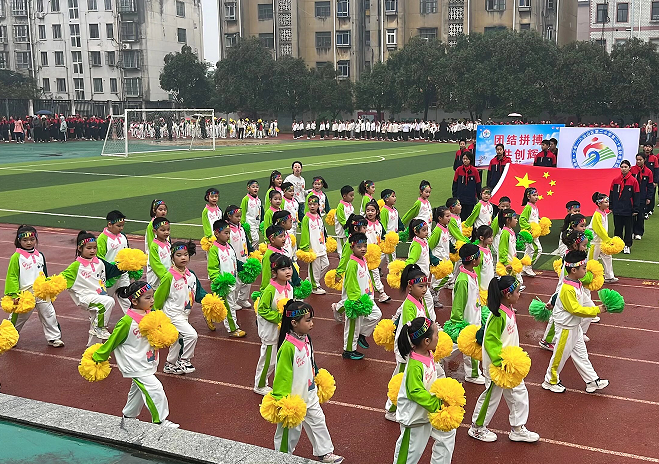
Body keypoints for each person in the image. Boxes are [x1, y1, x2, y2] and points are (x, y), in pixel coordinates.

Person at [92, 281, 179, 428]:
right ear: (134, 301)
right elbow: (112, 341)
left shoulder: (151, 315)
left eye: (152, 297)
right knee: (155, 389)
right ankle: (160, 421)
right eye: (147, 298)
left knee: (137, 392)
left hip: (147, 362)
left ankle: (128, 416)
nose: (152, 300)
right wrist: (98, 357)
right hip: (134, 364)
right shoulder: (127, 322)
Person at [270, 300, 344, 463]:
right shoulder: (288, 347)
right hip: (294, 400)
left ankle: (325, 453)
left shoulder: (306, 339)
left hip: (310, 394)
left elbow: (311, 362)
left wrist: (316, 376)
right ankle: (282, 457)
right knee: (290, 431)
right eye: (308, 320)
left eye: (312, 319)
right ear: (294, 323)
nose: (312, 324)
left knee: (318, 421)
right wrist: (282, 400)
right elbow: (282, 376)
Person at [468, 276, 539, 443]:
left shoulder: (508, 309)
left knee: (519, 393)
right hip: (498, 366)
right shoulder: (498, 315)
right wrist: (500, 362)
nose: (519, 294)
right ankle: (477, 428)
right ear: (507, 295)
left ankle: (518, 428)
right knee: (491, 397)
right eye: (517, 291)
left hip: (510, 365)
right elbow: (491, 341)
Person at [542, 250, 609, 394]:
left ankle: (592, 381)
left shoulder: (576, 283)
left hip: (574, 326)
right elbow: (575, 309)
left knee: (582, 355)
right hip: (565, 328)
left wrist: (595, 308)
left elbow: (581, 301)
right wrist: (597, 310)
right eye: (584, 268)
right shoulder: (568, 288)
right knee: (559, 356)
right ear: (574, 270)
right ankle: (550, 381)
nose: (586, 271)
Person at [392, 317, 456, 463]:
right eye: (437, 335)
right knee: (409, 455)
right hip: (414, 418)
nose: (439, 337)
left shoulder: (428, 354)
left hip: (428, 412)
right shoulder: (415, 365)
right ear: (426, 341)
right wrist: (437, 405)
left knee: (447, 434)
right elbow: (415, 391)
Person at [384, 264, 435, 421]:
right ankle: (391, 409)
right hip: (407, 348)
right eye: (421, 286)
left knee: (405, 377)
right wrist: (414, 348)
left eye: (426, 286)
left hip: (416, 347)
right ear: (410, 286)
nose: (424, 289)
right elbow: (409, 330)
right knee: (400, 378)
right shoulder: (409, 305)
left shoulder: (419, 300)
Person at [4, 225, 64, 347]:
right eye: (25, 240)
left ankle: (54, 338)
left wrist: (49, 287)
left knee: (49, 314)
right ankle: (9, 338)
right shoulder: (17, 257)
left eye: (32, 239)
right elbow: (12, 276)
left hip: (41, 292)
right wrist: (14, 294)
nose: (29, 243)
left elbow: (44, 273)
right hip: (25, 294)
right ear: (19, 240)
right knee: (19, 318)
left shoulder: (40, 255)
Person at [62, 231, 124, 346]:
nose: (92, 251)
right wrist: (48, 286)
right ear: (80, 248)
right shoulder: (76, 266)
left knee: (96, 319)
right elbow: (61, 279)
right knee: (109, 302)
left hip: (99, 297)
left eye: (94, 248)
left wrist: (126, 266)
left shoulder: (99, 262)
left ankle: (93, 348)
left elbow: (112, 271)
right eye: (89, 248)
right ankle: (100, 327)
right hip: (85, 298)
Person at [154, 241, 206, 375]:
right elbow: (158, 298)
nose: (183, 258)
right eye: (179, 255)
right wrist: (154, 316)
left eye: (185, 254)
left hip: (184, 314)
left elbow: (198, 293)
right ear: (172, 257)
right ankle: (184, 360)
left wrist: (209, 301)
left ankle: (170, 364)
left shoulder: (191, 275)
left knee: (177, 340)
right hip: (172, 314)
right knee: (191, 335)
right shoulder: (169, 277)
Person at [254, 253, 293, 395]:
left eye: (289, 268)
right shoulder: (271, 290)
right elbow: (262, 309)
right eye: (283, 269)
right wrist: (279, 317)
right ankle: (260, 385)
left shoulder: (289, 287)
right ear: (274, 273)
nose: (287, 271)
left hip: (283, 330)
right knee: (268, 360)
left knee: (281, 358)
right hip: (270, 331)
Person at [341, 233, 382, 360]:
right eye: (359, 246)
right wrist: (356, 301)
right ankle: (348, 351)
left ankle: (361, 334)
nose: (363, 249)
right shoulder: (352, 264)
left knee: (377, 314)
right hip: (357, 301)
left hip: (366, 299)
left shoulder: (363, 260)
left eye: (365, 246)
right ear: (352, 247)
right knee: (352, 326)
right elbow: (351, 284)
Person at [450, 243, 485, 384]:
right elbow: (458, 305)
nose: (480, 258)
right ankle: (472, 374)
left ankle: (440, 356)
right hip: (467, 320)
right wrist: (458, 323)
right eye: (479, 256)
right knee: (469, 345)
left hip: (474, 316)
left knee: (460, 345)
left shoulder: (471, 275)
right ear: (474, 260)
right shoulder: (463, 280)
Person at [208, 219, 245, 338]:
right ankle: (233, 329)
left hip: (232, 281)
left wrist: (244, 267)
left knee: (228, 304)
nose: (228, 236)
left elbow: (235, 261)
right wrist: (218, 281)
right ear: (216, 233)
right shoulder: (214, 250)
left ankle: (209, 315)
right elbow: (212, 268)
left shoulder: (229, 247)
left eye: (229, 233)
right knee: (229, 307)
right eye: (226, 233)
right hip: (223, 285)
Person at [97, 210, 131, 314]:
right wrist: (111, 269)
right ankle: (97, 321)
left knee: (127, 298)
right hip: (109, 276)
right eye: (118, 226)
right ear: (109, 224)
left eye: (123, 225)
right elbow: (99, 257)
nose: (121, 228)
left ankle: (133, 320)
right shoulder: (102, 239)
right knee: (106, 300)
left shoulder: (123, 236)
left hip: (123, 273)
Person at [300, 195, 329, 295]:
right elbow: (305, 233)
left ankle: (311, 279)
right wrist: (305, 248)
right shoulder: (306, 219)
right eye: (310, 204)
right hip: (313, 248)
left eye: (314, 204)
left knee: (326, 264)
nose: (312, 206)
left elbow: (322, 231)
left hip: (321, 246)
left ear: (318, 205)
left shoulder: (318, 217)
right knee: (315, 268)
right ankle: (315, 286)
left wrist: (326, 241)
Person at [609, 160, 639, 254]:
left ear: (629, 168)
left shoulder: (633, 181)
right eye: (622, 167)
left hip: (628, 209)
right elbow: (611, 194)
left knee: (628, 229)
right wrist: (611, 206)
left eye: (626, 167)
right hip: (617, 209)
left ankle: (627, 245)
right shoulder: (615, 180)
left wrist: (636, 209)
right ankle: (618, 245)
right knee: (617, 228)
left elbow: (636, 195)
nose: (623, 169)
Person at [364, 200, 391, 303]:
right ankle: (381, 293)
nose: (370, 212)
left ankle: (369, 294)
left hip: (375, 255)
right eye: (368, 210)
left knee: (369, 274)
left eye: (372, 210)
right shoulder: (364, 224)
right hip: (365, 254)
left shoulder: (379, 224)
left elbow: (383, 236)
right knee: (374, 274)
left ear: (377, 212)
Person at [588, 193, 617, 283]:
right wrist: (608, 240)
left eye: (608, 202)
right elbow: (599, 230)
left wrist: (606, 240)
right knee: (592, 260)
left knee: (608, 257)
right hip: (595, 242)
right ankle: (588, 277)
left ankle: (609, 276)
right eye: (606, 202)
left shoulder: (604, 213)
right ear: (599, 204)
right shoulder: (597, 215)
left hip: (602, 241)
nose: (608, 204)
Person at [630, 153, 654, 240]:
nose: (638, 161)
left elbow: (650, 186)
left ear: (644, 160)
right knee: (631, 215)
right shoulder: (632, 170)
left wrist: (649, 197)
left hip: (642, 196)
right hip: (632, 196)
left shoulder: (648, 172)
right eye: (637, 160)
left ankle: (638, 232)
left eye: (640, 160)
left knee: (640, 215)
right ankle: (631, 232)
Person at [453, 152, 481, 221]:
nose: (465, 160)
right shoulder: (458, 170)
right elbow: (455, 184)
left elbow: (478, 185)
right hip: (461, 198)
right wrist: (455, 196)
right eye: (464, 159)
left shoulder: (475, 171)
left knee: (470, 218)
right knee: (462, 217)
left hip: (471, 199)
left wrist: (479, 197)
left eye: (467, 159)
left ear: (470, 160)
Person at [519, 188, 541, 276]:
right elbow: (522, 220)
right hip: (530, 234)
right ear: (528, 197)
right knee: (537, 250)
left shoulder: (534, 207)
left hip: (534, 234)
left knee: (529, 251)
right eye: (534, 195)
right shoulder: (528, 207)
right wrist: (530, 228)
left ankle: (523, 267)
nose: (536, 197)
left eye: (537, 195)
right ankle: (528, 267)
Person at [146, 217, 171, 289]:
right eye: (162, 230)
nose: (166, 232)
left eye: (168, 229)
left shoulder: (168, 244)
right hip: (156, 282)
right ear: (155, 231)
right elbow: (155, 264)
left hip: (166, 279)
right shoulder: (154, 246)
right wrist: (165, 276)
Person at [380, 189, 404, 261]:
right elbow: (383, 225)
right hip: (388, 240)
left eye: (395, 196)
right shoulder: (384, 211)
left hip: (394, 239)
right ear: (386, 199)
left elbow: (398, 222)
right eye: (393, 196)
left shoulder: (395, 210)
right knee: (390, 259)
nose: (395, 198)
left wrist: (402, 229)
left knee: (388, 258)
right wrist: (384, 237)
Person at [241, 180, 263, 248]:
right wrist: (243, 223)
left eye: (257, 187)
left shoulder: (258, 200)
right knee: (255, 239)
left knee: (254, 240)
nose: (255, 188)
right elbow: (243, 211)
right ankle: (252, 252)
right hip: (249, 224)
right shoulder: (246, 199)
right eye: (253, 187)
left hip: (256, 223)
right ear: (248, 188)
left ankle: (253, 252)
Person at [335, 186, 355, 259]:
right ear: (344, 196)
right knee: (342, 249)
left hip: (348, 230)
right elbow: (341, 219)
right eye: (351, 196)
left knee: (348, 246)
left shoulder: (350, 205)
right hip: (342, 231)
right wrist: (347, 227)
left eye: (353, 195)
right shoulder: (340, 206)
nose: (353, 197)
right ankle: (342, 260)